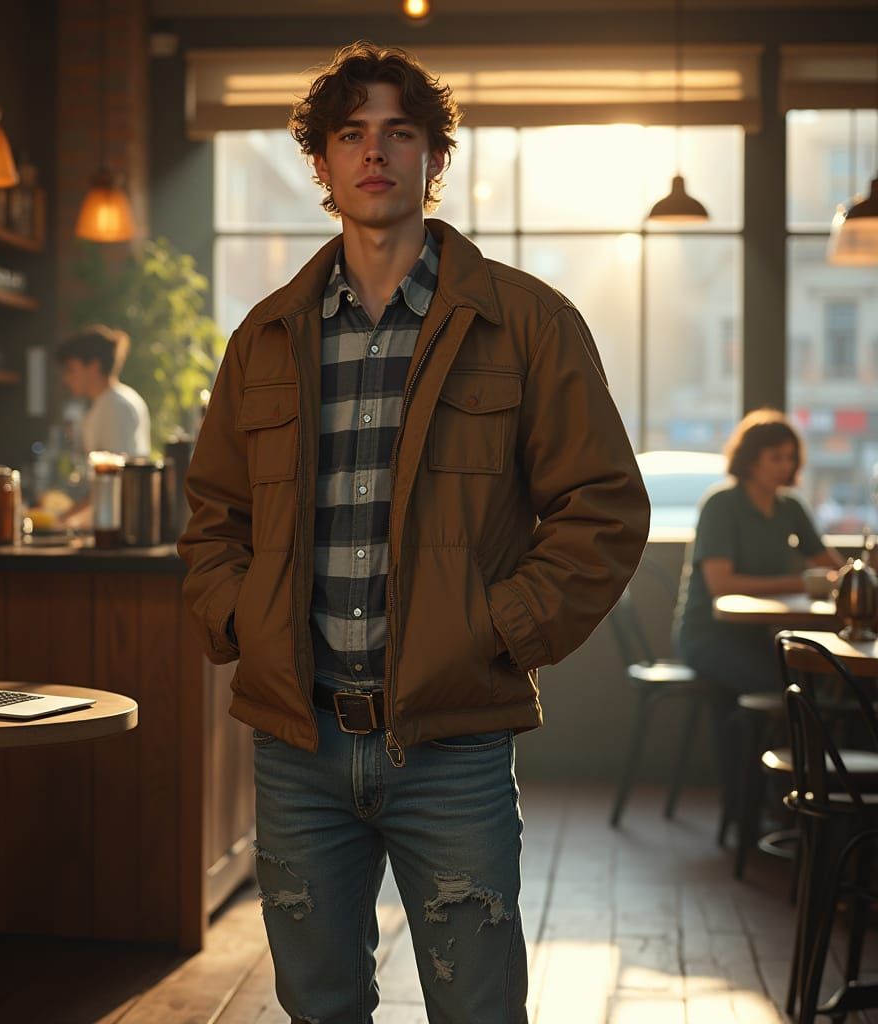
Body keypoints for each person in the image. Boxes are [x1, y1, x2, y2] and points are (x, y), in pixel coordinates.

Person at [177, 41, 649, 1024]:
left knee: (479, 1010)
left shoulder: (528, 322)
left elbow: (603, 505)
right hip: (297, 744)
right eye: (351, 134)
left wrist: (498, 630)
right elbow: (214, 517)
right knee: (318, 1010)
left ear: (435, 156)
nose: (374, 152)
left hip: (453, 746)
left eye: (399, 132)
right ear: (321, 161)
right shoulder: (264, 336)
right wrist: (241, 620)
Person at [676, 408, 843, 695]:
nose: (785, 466)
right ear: (751, 460)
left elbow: (831, 565)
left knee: (823, 675)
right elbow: (721, 585)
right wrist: (799, 583)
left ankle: (769, 724)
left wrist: (860, 577)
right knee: (792, 684)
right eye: (775, 457)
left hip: (759, 635)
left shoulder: (790, 508)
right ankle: (755, 725)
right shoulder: (721, 505)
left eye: (790, 457)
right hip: (709, 637)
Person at [56, 324, 151, 458]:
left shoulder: (114, 405)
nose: (66, 379)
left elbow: (116, 465)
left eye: (71, 370)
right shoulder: (112, 400)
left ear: (94, 367)